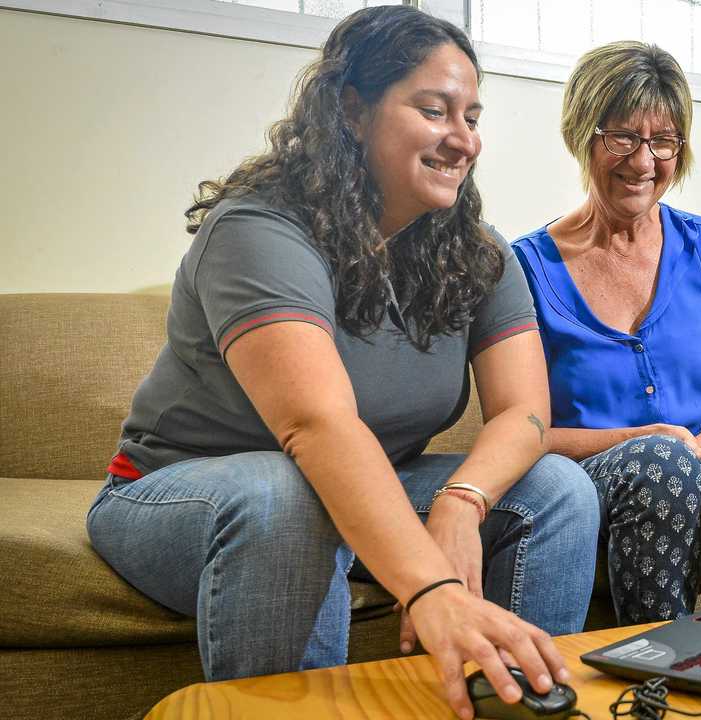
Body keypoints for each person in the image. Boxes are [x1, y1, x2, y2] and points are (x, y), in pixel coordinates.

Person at [85, 7, 597, 719]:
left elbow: (526, 413)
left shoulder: (475, 252)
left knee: (556, 490)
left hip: (356, 488)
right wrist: (434, 591)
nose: (463, 139)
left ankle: (510, 704)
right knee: (283, 493)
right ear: (352, 111)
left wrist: (461, 500)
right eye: (433, 110)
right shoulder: (259, 227)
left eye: (472, 116)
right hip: (182, 495)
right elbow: (316, 426)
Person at [511, 41, 701, 626]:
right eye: (623, 137)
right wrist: (650, 437)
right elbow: (527, 432)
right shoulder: (527, 268)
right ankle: (658, 679)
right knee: (657, 461)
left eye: (664, 142)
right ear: (583, 133)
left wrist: (699, 446)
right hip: (595, 476)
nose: (644, 162)